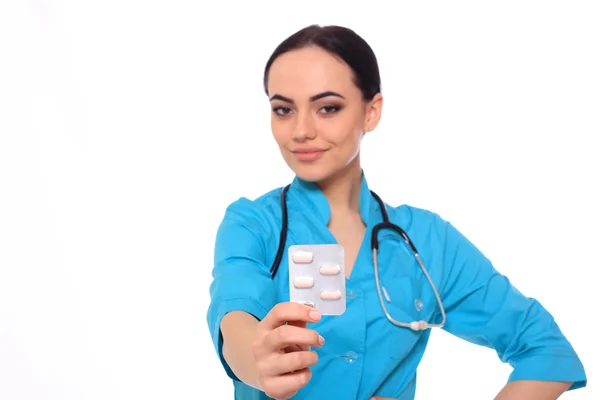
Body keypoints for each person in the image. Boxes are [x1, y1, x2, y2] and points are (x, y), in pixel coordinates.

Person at [206, 24, 587, 400]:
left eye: (327, 108)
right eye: (284, 109)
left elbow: (547, 352)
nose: (301, 130)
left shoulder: (427, 241)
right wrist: (259, 363)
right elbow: (235, 319)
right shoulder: (252, 225)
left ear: (371, 112)